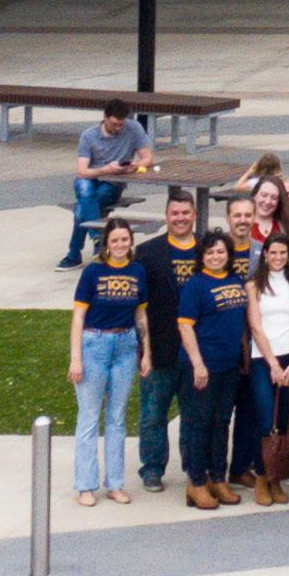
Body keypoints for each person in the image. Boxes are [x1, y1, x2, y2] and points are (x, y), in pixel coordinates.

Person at [66, 218, 145, 504]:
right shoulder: (93, 272)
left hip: (126, 345)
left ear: (131, 241)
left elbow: (140, 315)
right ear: (106, 245)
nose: (120, 245)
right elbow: (78, 316)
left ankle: (115, 483)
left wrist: (146, 351)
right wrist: (76, 358)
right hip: (94, 344)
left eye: (125, 239)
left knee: (117, 418)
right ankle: (86, 486)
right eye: (115, 240)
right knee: (89, 418)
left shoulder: (137, 271)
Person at [174, 232, 252, 510]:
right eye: (210, 252)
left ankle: (218, 478)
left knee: (221, 422)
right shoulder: (195, 285)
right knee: (199, 423)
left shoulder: (235, 280)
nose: (216, 257)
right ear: (202, 257)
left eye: (221, 251)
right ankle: (196, 482)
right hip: (202, 366)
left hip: (229, 366)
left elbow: (239, 323)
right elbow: (185, 326)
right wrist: (198, 364)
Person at [135, 187, 204, 495]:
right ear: (166, 216)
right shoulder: (148, 253)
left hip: (197, 350)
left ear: (194, 215)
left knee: (194, 415)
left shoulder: (207, 250)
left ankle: (193, 468)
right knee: (153, 414)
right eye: (175, 213)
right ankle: (152, 468)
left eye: (185, 213)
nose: (180, 218)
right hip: (160, 347)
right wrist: (144, 349)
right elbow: (139, 305)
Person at [242, 231, 289, 501]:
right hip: (263, 359)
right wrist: (272, 364)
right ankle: (261, 476)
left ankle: (275, 477)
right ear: (265, 255)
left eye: (283, 253)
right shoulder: (254, 285)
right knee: (266, 420)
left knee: (283, 420)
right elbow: (256, 326)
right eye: (273, 252)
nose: (278, 257)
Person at [64, 102, 153, 269]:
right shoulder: (89, 136)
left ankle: (75, 255)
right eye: (114, 124)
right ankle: (97, 240)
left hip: (113, 181)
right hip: (93, 175)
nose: (118, 128)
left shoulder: (133, 128)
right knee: (84, 189)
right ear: (105, 117)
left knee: (82, 208)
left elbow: (148, 157)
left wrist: (134, 165)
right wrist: (105, 169)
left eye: (121, 124)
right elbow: (82, 171)